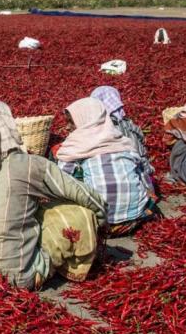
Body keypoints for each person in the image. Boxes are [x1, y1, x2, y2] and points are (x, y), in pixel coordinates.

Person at [0, 98, 108, 289]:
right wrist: (102, 219)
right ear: (7, 126)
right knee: (78, 213)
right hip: (15, 278)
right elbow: (83, 194)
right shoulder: (27, 165)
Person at [55, 97, 156, 237]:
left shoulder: (76, 146)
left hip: (97, 224)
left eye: (71, 122)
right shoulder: (124, 142)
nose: (67, 127)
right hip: (134, 219)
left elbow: (59, 181)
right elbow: (145, 178)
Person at [90, 86, 155, 183]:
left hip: (104, 183)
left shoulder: (92, 129)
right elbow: (141, 152)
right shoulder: (130, 125)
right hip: (140, 182)